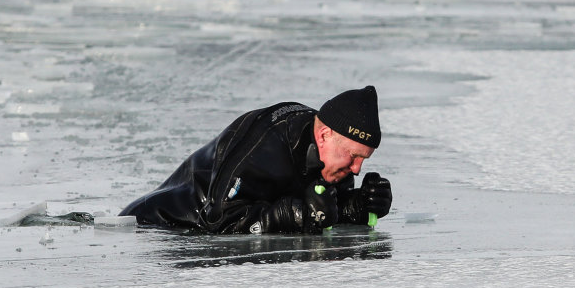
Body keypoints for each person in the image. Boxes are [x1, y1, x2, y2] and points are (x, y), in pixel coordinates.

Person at [120, 86, 392, 234]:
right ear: (324, 135)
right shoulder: (265, 145)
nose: (357, 168)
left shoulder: (333, 155)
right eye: (353, 156)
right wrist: (289, 215)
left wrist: (352, 208)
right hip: (156, 227)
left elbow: (315, 211)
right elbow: (217, 220)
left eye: (363, 160)